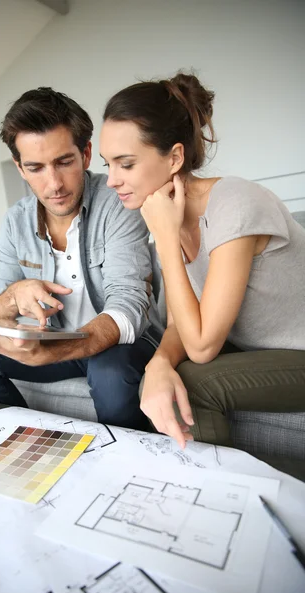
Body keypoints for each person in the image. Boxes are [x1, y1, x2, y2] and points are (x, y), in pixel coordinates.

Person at [100, 72, 305, 451]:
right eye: (107, 164)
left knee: (192, 383)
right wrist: (158, 363)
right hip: (264, 351)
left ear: (175, 157)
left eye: (125, 164)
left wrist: (163, 240)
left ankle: (219, 500)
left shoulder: (235, 203)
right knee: (161, 378)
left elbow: (202, 346)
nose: (111, 180)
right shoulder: (169, 215)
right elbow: (181, 323)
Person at [0, 87, 164, 431]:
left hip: (121, 344)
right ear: (20, 168)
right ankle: (27, 443)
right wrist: (12, 295)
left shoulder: (118, 202)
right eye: (35, 168)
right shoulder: (15, 220)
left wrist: (56, 350)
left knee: (109, 372)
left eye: (64, 162)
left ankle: (129, 467)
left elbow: (130, 303)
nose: (54, 184)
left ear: (86, 153)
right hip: (56, 343)